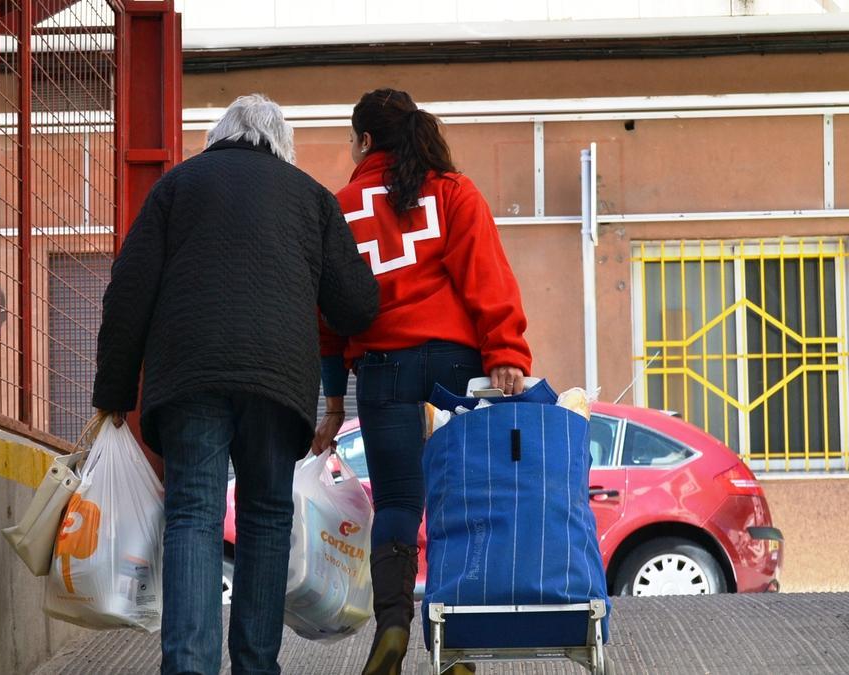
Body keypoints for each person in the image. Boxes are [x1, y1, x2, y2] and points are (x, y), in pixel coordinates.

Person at [92, 93, 379, 675]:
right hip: (277, 385)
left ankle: (190, 666)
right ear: (281, 143)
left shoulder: (177, 187)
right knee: (267, 516)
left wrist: (114, 393)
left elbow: (129, 289)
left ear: (220, 135)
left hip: (190, 378)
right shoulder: (312, 199)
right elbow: (356, 305)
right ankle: (255, 665)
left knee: (193, 514)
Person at [315, 88, 534, 675]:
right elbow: (487, 276)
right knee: (454, 503)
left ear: (363, 141)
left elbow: (327, 314)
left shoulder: (339, 207)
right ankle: (452, 647)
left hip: (383, 368)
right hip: (456, 369)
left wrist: (332, 400)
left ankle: (391, 628)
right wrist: (505, 350)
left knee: (396, 503)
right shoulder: (453, 193)